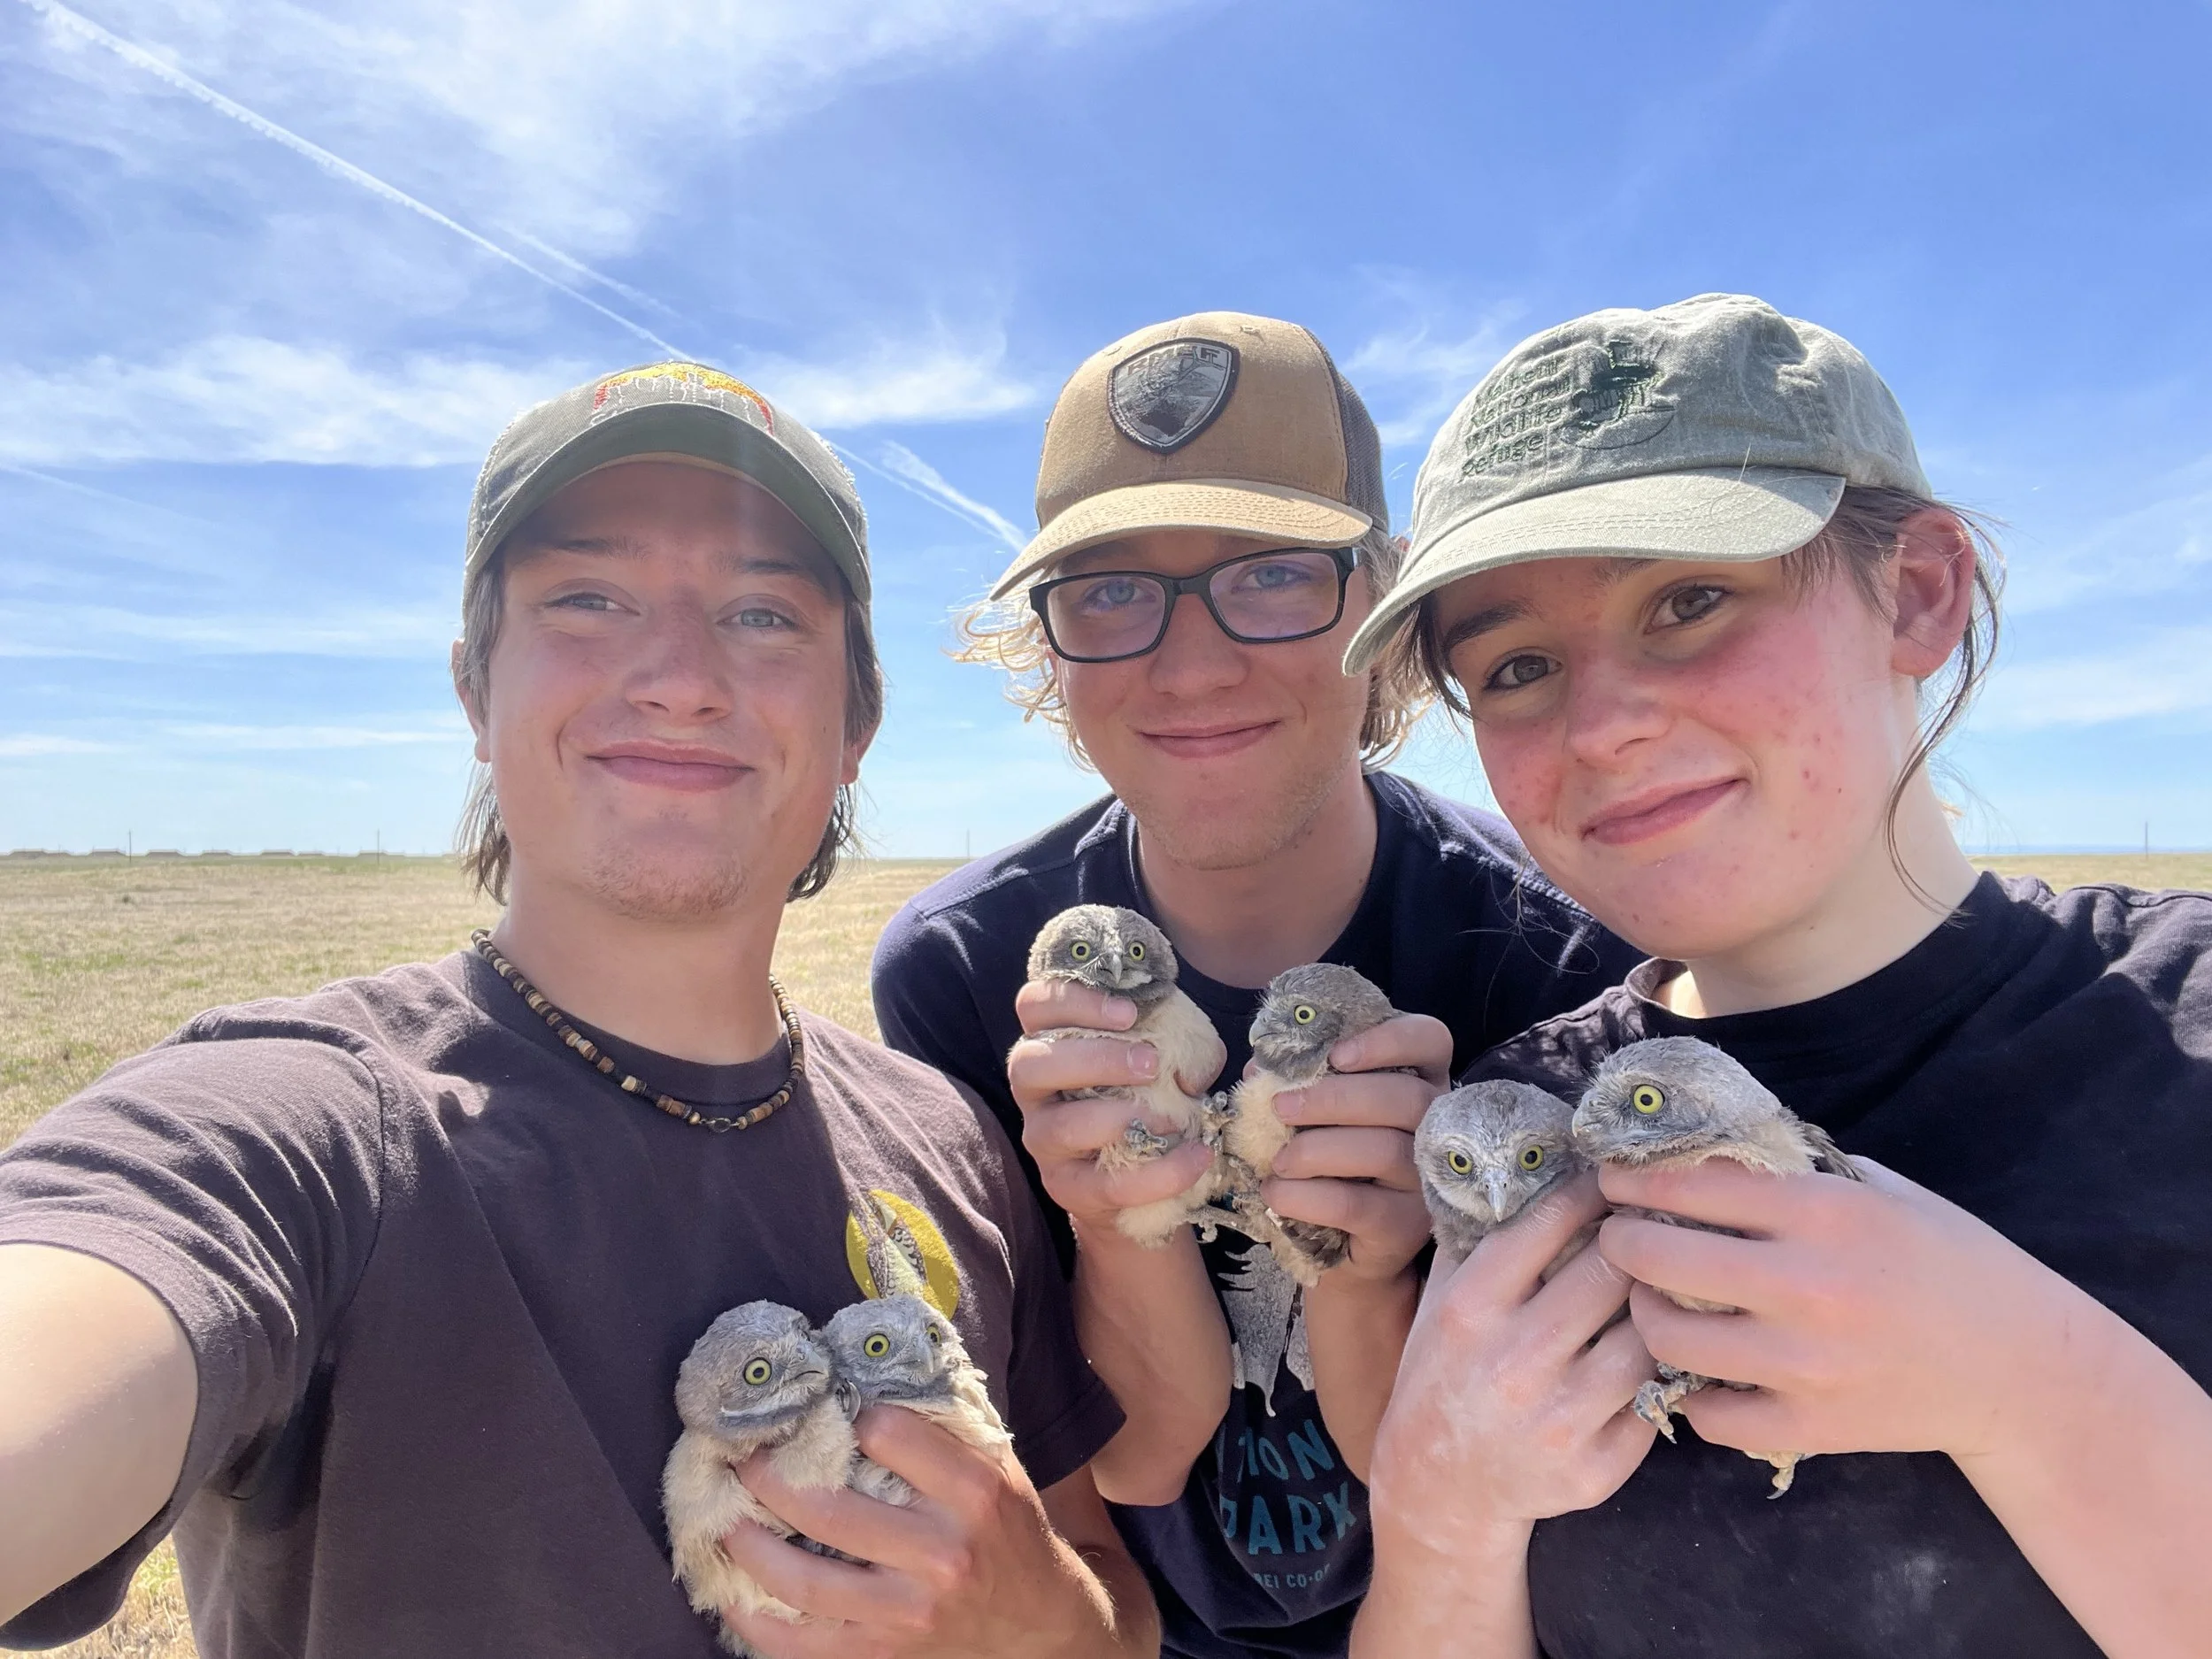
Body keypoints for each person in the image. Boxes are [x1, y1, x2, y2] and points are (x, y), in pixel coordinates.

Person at [0, 363, 1156, 1659]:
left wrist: (1035, 1618)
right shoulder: (306, 1139)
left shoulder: (945, 1141)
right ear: (473, 692)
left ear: (857, 724)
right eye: (589, 599)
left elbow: (1105, 1592)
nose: (676, 676)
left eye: (763, 613)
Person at [1340, 293, 2212, 1658]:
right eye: (1516, 665)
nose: (1605, 724)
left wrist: (2033, 1390)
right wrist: (1440, 1512)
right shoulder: (1519, 1134)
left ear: (1921, 591)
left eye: (1690, 599)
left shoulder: (2187, 1035)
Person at [871, 311, 1638, 1657]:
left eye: (1273, 573)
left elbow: (1528, 1495)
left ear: (1386, 609)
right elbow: (1135, 1462)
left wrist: (1377, 1274)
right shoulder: (963, 978)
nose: (1191, 662)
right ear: (1049, 645)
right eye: (1110, 591)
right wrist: (1115, 1225)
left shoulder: (1571, 953)